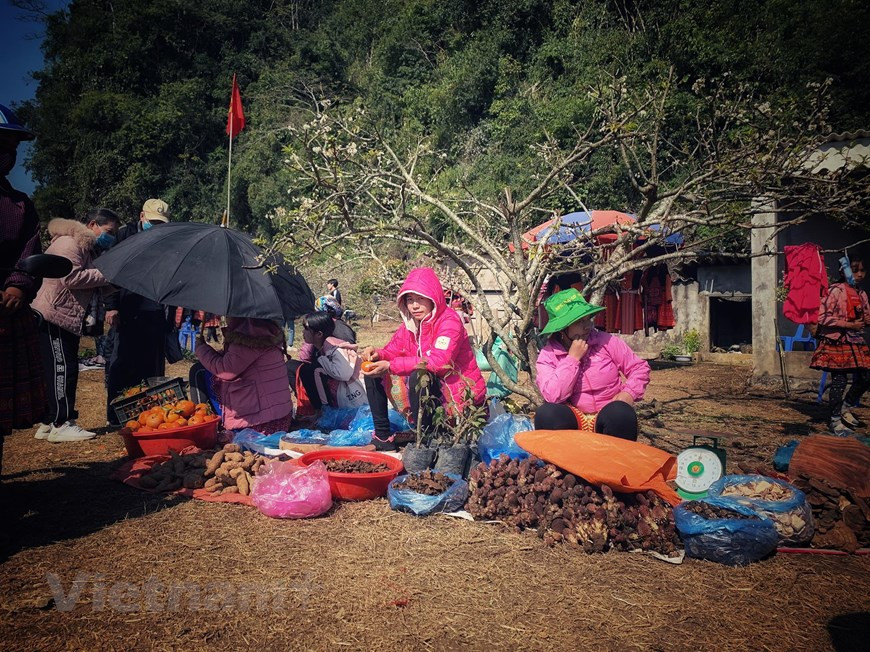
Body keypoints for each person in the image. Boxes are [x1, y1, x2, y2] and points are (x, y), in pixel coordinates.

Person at [361, 267, 485, 450]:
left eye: (420, 299)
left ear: (433, 298)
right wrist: (378, 354)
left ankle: (427, 438)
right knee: (372, 370)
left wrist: (390, 365)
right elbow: (394, 350)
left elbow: (439, 362)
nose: (414, 306)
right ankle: (382, 436)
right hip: (431, 389)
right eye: (410, 300)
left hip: (456, 390)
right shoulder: (411, 325)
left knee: (419, 376)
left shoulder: (449, 322)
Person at [31, 211, 120, 441]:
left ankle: (49, 421)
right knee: (63, 368)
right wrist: (108, 273)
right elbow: (70, 277)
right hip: (54, 313)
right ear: (93, 224)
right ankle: (62, 423)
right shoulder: (70, 243)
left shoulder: (85, 247)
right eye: (108, 231)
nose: (110, 237)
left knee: (58, 367)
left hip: (64, 314)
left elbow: (93, 280)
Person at [534, 288, 650, 440]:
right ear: (562, 329)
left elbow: (639, 368)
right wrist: (572, 359)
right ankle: (566, 455)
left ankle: (615, 455)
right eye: (579, 322)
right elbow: (553, 396)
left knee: (620, 413)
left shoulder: (606, 342)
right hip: (573, 415)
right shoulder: (548, 355)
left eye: (588, 319)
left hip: (608, 411)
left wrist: (629, 393)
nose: (587, 326)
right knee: (547, 414)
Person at [0, 104, 44, 468]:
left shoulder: (19, 206)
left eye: (12, 148)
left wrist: (18, 286)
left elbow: (30, 253)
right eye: (1, 145)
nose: (8, 154)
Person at [104, 198, 173, 426]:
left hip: (154, 309)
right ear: (142, 216)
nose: (156, 226)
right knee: (122, 361)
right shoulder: (124, 235)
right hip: (127, 306)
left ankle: (147, 413)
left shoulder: (167, 240)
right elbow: (110, 272)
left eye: (161, 223)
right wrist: (111, 305)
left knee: (151, 364)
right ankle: (115, 415)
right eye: (153, 221)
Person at [193, 317, 292, 434]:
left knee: (198, 371)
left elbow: (225, 370)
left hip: (260, 424)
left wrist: (201, 348)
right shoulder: (265, 330)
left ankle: (202, 423)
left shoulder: (248, 336)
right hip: (280, 416)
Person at [810, 257, 870, 436]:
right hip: (836, 341)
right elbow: (822, 317)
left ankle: (846, 406)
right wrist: (849, 325)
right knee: (839, 381)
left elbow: (865, 316)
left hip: (855, 341)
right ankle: (835, 420)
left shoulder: (861, 294)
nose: (859, 274)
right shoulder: (835, 291)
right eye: (855, 270)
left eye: (862, 270)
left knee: (866, 377)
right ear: (843, 271)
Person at [288, 312, 367, 411]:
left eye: (306, 329)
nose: (303, 332)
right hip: (340, 395)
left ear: (319, 334)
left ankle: (322, 410)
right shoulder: (321, 348)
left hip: (354, 398)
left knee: (312, 369)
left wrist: (322, 361)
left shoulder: (335, 347)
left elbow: (343, 374)